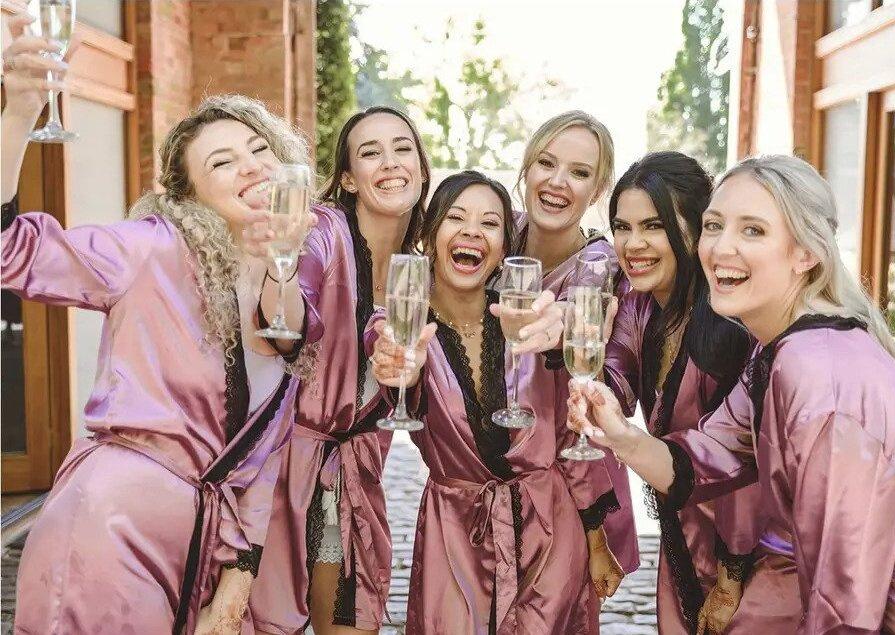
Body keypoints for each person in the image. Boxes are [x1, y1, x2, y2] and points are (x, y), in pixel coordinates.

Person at [3, 16, 312, 632]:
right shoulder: (150, 248)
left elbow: (261, 458)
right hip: (107, 531)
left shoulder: (289, 282)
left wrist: (233, 590)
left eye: (260, 150)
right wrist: (16, 117)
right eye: (223, 162)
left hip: (196, 550)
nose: (250, 167)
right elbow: (10, 252)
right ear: (191, 195)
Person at [569, 154, 895, 633]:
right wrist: (619, 433)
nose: (722, 247)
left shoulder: (822, 372)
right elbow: (707, 459)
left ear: (806, 252)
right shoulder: (779, 351)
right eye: (716, 225)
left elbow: (843, 602)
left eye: (753, 230)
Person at [368, 170, 622, 634]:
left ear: (504, 247)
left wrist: (597, 539)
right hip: (455, 533)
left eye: (489, 223)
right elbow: (383, 348)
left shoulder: (528, 320)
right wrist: (393, 364)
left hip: (550, 532)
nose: (471, 231)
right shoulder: (400, 323)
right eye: (456, 218)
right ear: (430, 235)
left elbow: (569, 433)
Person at [247, 106, 431, 634]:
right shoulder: (323, 232)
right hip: (280, 472)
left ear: (421, 168)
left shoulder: (418, 271)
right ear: (348, 179)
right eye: (370, 152)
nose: (390, 162)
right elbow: (284, 328)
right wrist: (283, 262)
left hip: (351, 481)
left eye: (402, 148)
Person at [602, 151, 790, 634]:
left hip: (745, 558)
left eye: (654, 226)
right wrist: (569, 357)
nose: (633, 243)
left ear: (696, 231)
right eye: (622, 227)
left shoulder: (729, 326)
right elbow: (615, 386)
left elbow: (746, 465)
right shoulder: (639, 304)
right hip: (681, 535)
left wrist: (730, 581)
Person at [511, 111, 639, 575]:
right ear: (526, 169)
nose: (558, 181)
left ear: (598, 190)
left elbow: (620, 389)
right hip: (490, 479)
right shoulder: (495, 232)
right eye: (547, 163)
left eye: (580, 172)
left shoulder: (602, 269)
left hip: (571, 485)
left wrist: (594, 530)